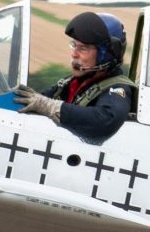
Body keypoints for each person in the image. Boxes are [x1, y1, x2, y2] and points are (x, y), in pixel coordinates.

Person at [15, 11, 135, 145]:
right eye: (74, 45)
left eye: (83, 48)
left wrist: (51, 107)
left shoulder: (118, 89)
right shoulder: (72, 83)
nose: (74, 54)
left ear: (105, 55)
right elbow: (36, 99)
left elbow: (106, 120)